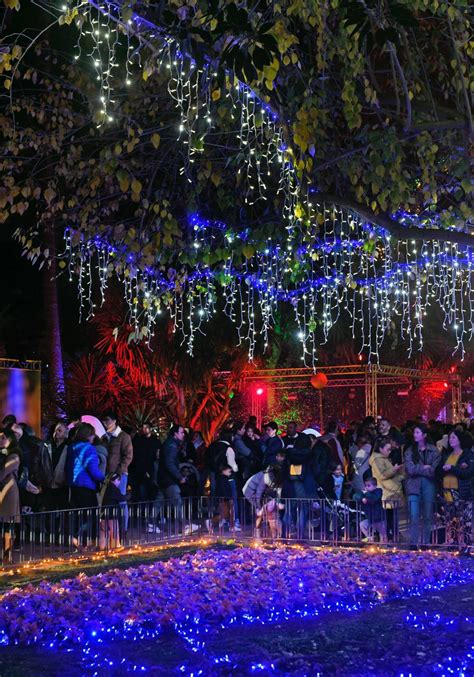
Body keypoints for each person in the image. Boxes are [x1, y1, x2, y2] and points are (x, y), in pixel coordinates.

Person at [66, 422, 105, 548]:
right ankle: (86, 542)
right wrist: (104, 478)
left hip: (74, 486)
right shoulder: (89, 448)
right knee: (90, 516)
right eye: (93, 435)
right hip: (87, 487)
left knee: (77, 515)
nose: (94, 438)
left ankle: (74, 539)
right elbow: (93, 470)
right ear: (88, 435)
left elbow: (68, 467)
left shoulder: (72, 447)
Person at [155, 424, 198, 535]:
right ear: (175, 434)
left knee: (159, 501)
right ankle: (185, 526)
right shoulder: (172, 446)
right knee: (177, 502)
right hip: (169, 479)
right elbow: (170, 464)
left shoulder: (170, 444)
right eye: (182, 432)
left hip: (163, 478)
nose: (183, 434)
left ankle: (150, 523)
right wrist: (179, 477)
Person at [404, 423, 440, 546]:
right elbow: (410, 470)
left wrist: (420, 469)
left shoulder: (433, 450)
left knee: (427, 515)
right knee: (414, 515)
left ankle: (426, 542)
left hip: (429, 485)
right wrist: (424, 467)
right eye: (414, 432)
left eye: (418, 432)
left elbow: (434, 470)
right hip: (413, 485)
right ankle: (413, 543)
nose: (415, 435)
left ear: (424, 435)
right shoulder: (409, 451)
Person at [438, 430, 474, 548]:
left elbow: (468, 472)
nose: (450, 440)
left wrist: (452, 468)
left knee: (464, 520)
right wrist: (443, 469)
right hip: (447, 493)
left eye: (453, 437)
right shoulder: (447, 454)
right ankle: (452, 544)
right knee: (450, 520)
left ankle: (466, 545)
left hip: (461, 493)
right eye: (449, 438)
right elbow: (438, 470)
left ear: (459, 440)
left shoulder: (467, 454)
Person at [101, 411, 133, 533]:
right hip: (106, 474)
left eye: (107, 420)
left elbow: (128, 456)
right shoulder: (104, 437)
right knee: (108, 502)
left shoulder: (123, 436)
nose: (105, 423)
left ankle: (123, 529)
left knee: (121, 501)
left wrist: (118, 472)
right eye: (104, 421)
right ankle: (112, 530)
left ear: (114, 421)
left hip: (119, 474)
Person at [369, 437, 404, 541]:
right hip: (386, 492)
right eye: (387, 449)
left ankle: (393, 536)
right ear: (380, 449)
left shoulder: (384, 459)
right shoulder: (377, 460)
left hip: (390, 491)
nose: (389, 452)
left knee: (391, 516)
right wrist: (394, 470)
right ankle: (390, 537)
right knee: (389, 517)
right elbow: (382, 475)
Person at [0, 430, 21, 562]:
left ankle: (8, 555)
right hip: (3, 490)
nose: (1, 440)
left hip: (8, 492)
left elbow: (3, 473)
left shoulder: (13, 456)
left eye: (3, 438)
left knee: (7, 523)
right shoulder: (4, 455)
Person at [130, 422, 160, 503]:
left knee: (151, 490)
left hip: (151, 467)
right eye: (143, 428)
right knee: (142, 491)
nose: (144, 429)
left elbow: (157, 453)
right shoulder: (139, 441)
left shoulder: (155, 441)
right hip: (141, 469)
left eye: (146, 427)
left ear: (150, 429)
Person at [99, 472, 124, 550]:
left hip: (103, 513)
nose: (119, 482)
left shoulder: (104, 488)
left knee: (103, 531)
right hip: (111, 514)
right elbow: (121, 498)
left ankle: (102, 547)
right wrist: (129, 495)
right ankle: (116, 546)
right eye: (118, 480)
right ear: (115, 480)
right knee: (114, 530)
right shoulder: (114, 488)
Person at [358, 477, 387, 543]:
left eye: (368, 486)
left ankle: (384, 546)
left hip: (379, 517)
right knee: (362, 524)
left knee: (382, 534)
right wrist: (362, 499)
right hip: (370, 518)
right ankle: (370, 538)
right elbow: (358, 497)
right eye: (365, 486)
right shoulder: (365, 494)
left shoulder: (378, 491)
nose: (366, 487)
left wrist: (366, 494)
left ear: (375, 486)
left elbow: (374, 499)